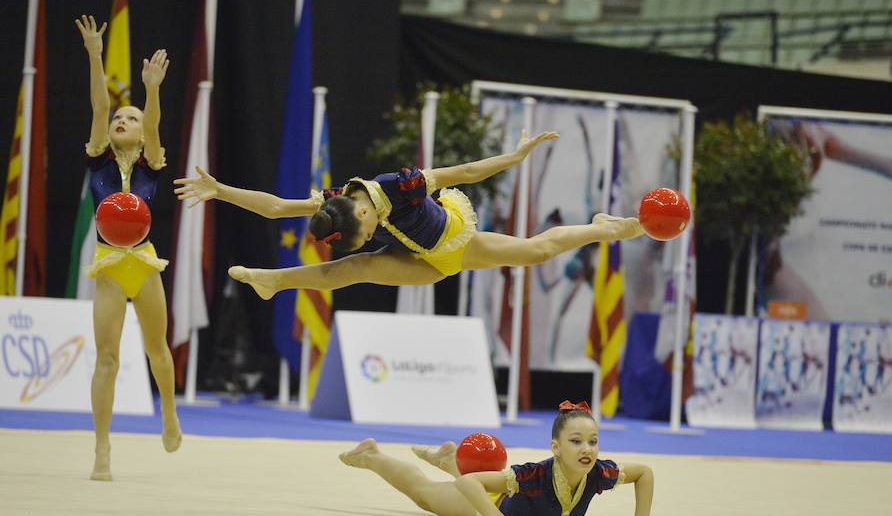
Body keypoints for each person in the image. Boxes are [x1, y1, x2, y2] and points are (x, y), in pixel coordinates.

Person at [173, 131, 645, 298]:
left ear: (366, 210)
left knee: (537, 252)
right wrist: (219, 191)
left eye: (367, 232)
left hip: (450, 243)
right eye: (367, 234)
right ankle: (273, 281)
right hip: (415, 257)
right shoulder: (338, 201)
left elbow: (465, 171)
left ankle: (600, 228)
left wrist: (515, 157)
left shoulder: (401, 185)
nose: (370, 234)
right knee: (354, 267)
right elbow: (277, 207)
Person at [75, 15, 181, 481]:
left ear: (141, 133)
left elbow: (153, 125)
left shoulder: (151, 164)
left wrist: (151, 92)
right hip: (109, 265)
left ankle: (170, 414)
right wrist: (95, 55)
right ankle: (102, 448)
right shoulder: (98, 157)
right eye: (120, 118)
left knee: (157, 348)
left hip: (144, 262)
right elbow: (99, 106)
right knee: (108, 358)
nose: (122, 120)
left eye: (130, 118)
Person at [338, 400, 658, 516]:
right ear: (555, 448)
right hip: (486, 504)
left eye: (593, 441)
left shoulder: (599, 473)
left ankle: (450, 460)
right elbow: (469, 485)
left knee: (457, 482)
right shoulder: (535, 475)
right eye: (576, 442)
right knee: (424, 494)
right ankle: (371, 455)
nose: (586, 449)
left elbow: (644, 472)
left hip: (498, 496)